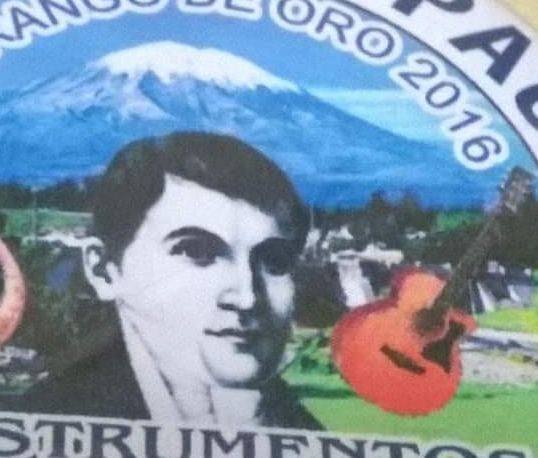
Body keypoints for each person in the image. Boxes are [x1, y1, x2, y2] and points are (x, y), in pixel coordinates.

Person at [27, 132, 319, 428]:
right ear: (105, 271)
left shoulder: (309, 436)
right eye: (196, 251)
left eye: (274, 260)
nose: (247, 297)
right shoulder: (39, 426)